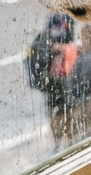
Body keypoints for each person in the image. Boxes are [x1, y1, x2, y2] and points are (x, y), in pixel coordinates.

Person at [24, 13, 78, 146]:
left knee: (64, 108)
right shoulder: (50, 33)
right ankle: (61, 140)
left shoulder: (62, 21)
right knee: (58, 107)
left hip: (58, 79)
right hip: (54, 80)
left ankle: (65, 140)